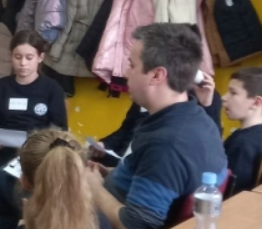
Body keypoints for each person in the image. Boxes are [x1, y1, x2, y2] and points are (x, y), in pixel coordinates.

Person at [86, 23, 228, 229]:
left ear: (156, 75)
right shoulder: (197, 119)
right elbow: (156, 174)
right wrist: (112, 173)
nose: (125, 73)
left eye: (132, 65)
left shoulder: (167, 144)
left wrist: (94, 188)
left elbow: (135, 226)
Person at [0, 31, 67, 229]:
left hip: (36, 153)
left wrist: (40, 144)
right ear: (11, 56)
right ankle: (15, 217)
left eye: (29, 57)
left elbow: (60, 129)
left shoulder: (51, 88)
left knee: (18, 184)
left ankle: (9, 221)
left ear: (40, 57)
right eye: (17, 57)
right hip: (3, 149)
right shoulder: (0, 86)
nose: (23, 63)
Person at [90, 71, 223, 166]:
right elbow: (126, 129)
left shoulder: (204, 97)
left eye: (133, 65)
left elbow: (211, 147)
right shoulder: (145, 92)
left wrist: (207, 105)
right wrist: (105, 145)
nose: (126, 73)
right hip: (122, 164)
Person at [223, 67, 262, 194]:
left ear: (256, 103)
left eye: (233, 93)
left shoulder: (243, 144)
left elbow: (232, 194)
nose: (224, 97)